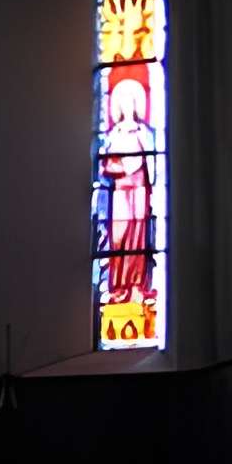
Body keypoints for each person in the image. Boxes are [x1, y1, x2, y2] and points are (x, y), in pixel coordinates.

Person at [99, 74, 157, 306]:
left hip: (140, 191)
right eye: (122, 101)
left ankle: (135, 285)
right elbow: (106, 165)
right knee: (119, 238)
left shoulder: (143, 133)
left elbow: (151, 167)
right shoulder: (113, 135)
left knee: (137, 238)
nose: (127, 105)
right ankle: (118, 286)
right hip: (120, 192)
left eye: (131, 101)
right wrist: (120, 166)